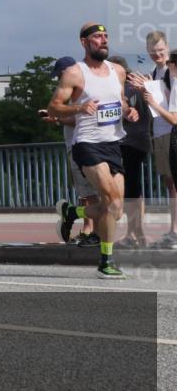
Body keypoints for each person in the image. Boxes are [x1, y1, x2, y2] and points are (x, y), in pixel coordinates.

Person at [49, 23, 138, 279]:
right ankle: (106, 262)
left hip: (113, 143)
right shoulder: (75, 73)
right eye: (97, 36)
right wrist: (79, 108)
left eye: (106, 36)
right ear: (84, 42)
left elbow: (120, 101)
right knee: (111, 200)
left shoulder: (117, 71)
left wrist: (128, 111)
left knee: (115, 209)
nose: (103, 40)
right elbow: (54, 107)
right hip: (87, 144)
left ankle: (72, 212)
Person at [45, 56, 99, 246]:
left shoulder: (79, 92)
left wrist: (58, 119)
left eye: (59, 75)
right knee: (87, 193)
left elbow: (80, 120)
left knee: (89, 193)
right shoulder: (78, 90)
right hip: (82, 146)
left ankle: (88, 228)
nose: (59, 80)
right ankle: (90, 229)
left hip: (81, 146)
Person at [109, 55, 151, 249]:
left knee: (130, 190)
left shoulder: (126, 89)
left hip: (130, 141)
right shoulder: (138, 85)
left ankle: (135, 234)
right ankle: (134, 233)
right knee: (134, 189)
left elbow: (124, 115)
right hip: (140, 140)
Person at [138, 49, 177, 249]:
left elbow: (174, 119)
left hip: (171, 134)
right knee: (171, 184)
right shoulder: (171, 81)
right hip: (165, 134)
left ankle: (175, 232)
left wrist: (153, 100)